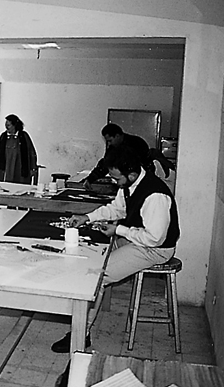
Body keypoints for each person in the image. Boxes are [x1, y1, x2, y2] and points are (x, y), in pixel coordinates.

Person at [50, 145, 180, 353]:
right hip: (137, 239)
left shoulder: (155, 195)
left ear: (132, 174)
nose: (113, 182)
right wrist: (87, 217)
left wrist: (118, 229)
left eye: (116, 178)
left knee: (97, 276)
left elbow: (155, 239)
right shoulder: (129, 184)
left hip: (156, 249)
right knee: (92, 257)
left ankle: (81, 334)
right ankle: (81, 322)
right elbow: (116, 209)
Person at [84, 123, 175, 191]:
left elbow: (144, 168)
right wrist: (90, 179)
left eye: (110, 140)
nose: (109, 144)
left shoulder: (137, 143)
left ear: (117, 136)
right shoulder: (112, 147)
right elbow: (106, 164)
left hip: (140, 183)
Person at [0, 114, 38, 184]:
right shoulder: (3, 137)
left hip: (20, 169)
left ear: (15, 125)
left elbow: (31, 152)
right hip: (6, 169)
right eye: (5, 125)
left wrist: (33, 168)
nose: (6, 127)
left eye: (8, 125)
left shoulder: (23, 136)